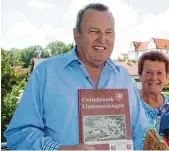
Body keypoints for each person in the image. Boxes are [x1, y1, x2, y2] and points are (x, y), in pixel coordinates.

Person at [4, 3, 149, 150]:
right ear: (76, 35)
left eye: (109, 32)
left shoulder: (123, 77)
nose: (102, 38)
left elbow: (142, 131)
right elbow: (19, 135)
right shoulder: (46, 73)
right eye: (94, 31)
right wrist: (60, 149)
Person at [137, 51, 169, 127]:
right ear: (140, 75)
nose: (154, 78)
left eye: (159, 73)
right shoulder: (128, 105)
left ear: (167, 77)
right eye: (149, 72)